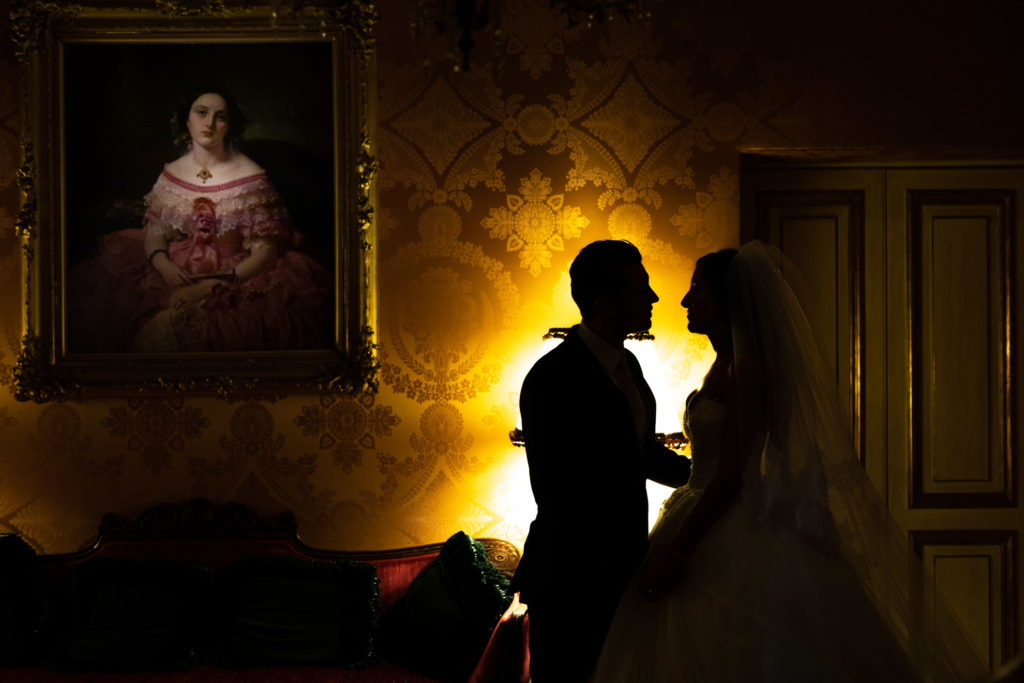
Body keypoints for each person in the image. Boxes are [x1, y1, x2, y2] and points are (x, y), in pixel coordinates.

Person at [593, 241, 988, 683]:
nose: (685, 300)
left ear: (728, 299)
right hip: (700, 504)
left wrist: (681, 548)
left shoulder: (745, 368)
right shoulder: (722, 364)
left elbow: (732, 473)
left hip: (722, 519)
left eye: (698, 289)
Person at [511, 239, 691, 683]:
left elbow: (638, 453)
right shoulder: (552, 379)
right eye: (641, 289)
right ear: (605, 305)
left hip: (621, 575)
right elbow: (561, 494)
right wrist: (640, 557)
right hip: (571, 578)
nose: (654, 298)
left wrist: (702, 476)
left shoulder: (630, 364)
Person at [68, 87, 330, 352]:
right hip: (174, 270)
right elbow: (156, 231)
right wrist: (164, 265)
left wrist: (210, 286)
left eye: (220, 117)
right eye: (202, 113)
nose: (210, 123)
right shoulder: (172, 172)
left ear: (229, 125)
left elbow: (266, 254)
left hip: (234, 275)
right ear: (187, 120)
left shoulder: (250, 178)